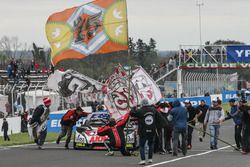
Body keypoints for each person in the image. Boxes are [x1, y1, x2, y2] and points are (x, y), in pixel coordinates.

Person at [130, 99, 166, 165]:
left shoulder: (140, 110)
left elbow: (132, 113)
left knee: (141, 146)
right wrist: (163, 126)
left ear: (142, 104)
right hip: (152, 130)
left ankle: (143, 160)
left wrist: (133, 107)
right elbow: (160, 118)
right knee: (151, 144)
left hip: (143, 130)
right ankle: (150, 159)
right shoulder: (153, 110)